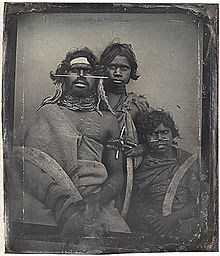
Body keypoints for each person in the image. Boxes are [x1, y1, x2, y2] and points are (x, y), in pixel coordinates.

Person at [14, 47, 130, 236]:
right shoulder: (46, 113)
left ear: (98, 80)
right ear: (63, 77)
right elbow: (28, 164)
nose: (82, 75)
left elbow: (117, 174)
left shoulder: (108, 120)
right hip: (49, 202)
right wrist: (61, 202)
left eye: (88, 71)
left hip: (97, 203)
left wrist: (97, 200)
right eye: (75, 70)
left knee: (118, 237)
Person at [128, 109, 201, 242]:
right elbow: (136, 202)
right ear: (145, 138)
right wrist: (157, 222)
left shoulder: (189, 161)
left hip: (185, 220)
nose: (160, 138)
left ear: (173, 134)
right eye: (153, 134)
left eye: (164, 132)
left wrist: (170, 220)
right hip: (153, 225)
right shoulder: (142, 164)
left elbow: (199, 200)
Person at [99, 42, 150, 216]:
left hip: (122, 170)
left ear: (131, 72)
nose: (118, 73)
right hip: (94, 165)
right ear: (103, 68)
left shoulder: (136, 106)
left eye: (124, 68)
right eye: (112, 67)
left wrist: (140, 148)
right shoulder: (92, 101)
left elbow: (153, 139)